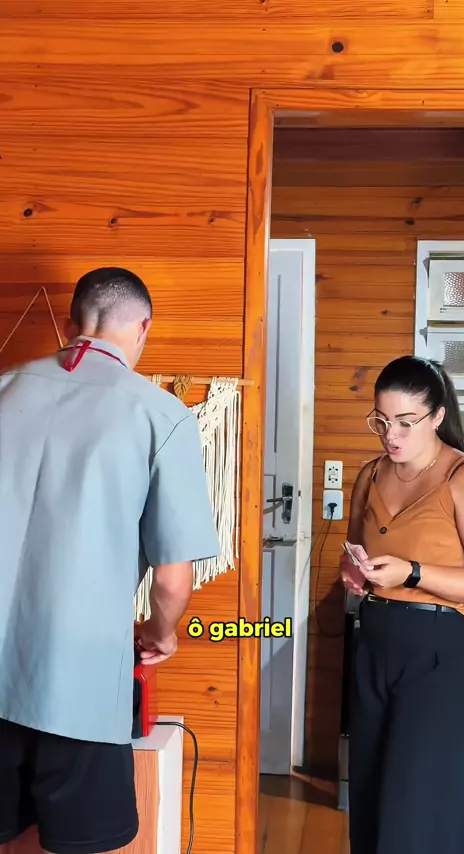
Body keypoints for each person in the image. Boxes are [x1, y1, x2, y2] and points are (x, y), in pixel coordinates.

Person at [0, 267, 220, 854]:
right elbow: (172, 578)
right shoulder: (161, 415)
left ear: (70, 323)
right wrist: (161, 633)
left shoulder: (4, 388)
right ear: (143, 327)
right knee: (82, 842)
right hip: (80, 683)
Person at [340, 355, 464, 854]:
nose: (390, 435)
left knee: (418, 803)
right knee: (371, 793)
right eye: (381, 421)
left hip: (443, 654)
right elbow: (356, 553)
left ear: (437, 416)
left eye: (405, 422)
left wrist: (413, 573)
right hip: (375, 644)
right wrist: (354, 572)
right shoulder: (370, 475)